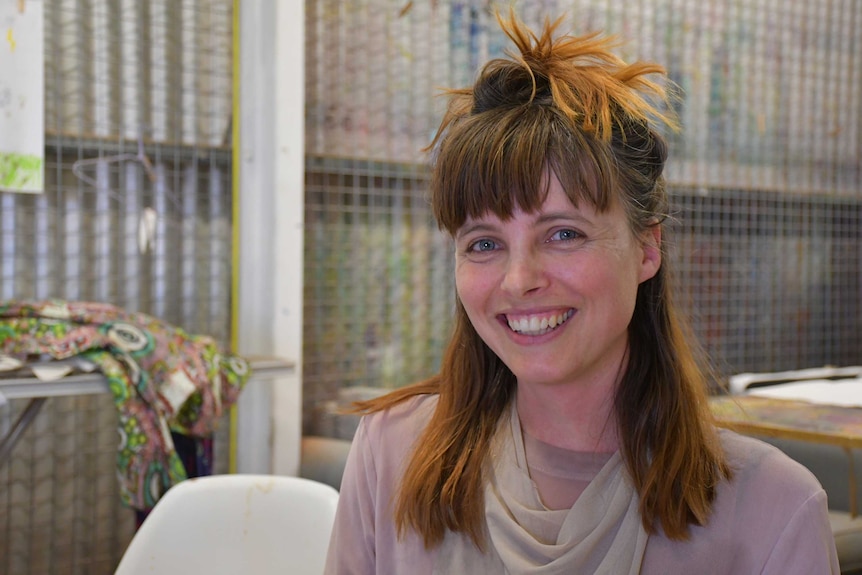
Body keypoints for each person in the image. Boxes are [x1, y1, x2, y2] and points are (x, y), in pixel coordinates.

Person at [324, 11, 840, 574]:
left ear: (647, 248)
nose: (519, 279)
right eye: (483, 243)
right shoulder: (391, 454)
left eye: (564, 234)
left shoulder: (773, 511)